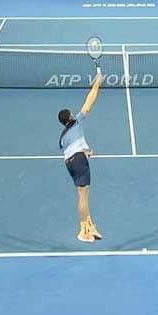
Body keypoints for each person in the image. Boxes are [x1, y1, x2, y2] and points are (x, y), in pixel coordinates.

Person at [59, 68, 106, 244]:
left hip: (70, 164)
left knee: (83, 194)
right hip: (79, 161)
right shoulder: (76, 121)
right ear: (70, 116)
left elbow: (69, 151)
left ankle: (90, 226)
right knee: (83, 196)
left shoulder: (63, 137)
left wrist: (85, 151)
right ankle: (83, 231)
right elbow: (90, 100)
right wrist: (97, 83)